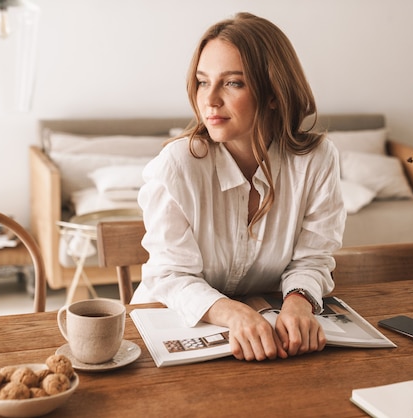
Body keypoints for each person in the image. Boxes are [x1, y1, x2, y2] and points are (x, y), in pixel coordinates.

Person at [131, 12, 345, 362]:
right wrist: (232, 313)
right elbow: (169, 275)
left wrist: (298, 302)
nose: (210, 99)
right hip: (165, 332)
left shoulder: (317, 160)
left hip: (261, 343)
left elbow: (313, 259)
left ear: (274, 93)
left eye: (232, 83)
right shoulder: (176, 165)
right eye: (202, 82)